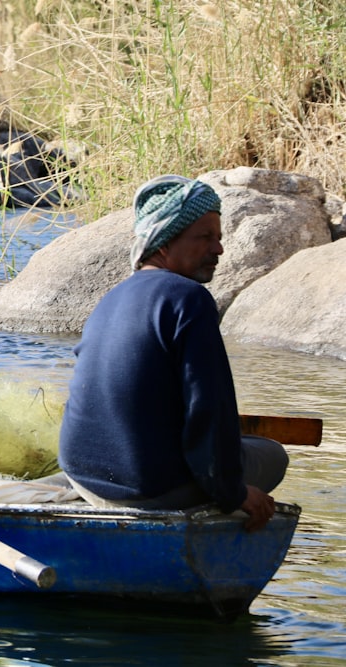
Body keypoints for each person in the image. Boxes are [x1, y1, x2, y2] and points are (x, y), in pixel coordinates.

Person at [57, 175, 288, 531]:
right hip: (147, 489)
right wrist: (234, 493)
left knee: (239, 444)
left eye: (219, 238)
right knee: (272, 454)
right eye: (204, 237)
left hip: (82, 476)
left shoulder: (111, 297)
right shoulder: (189, 299)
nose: (219, 250)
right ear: (163, 243)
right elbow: (208, 409)